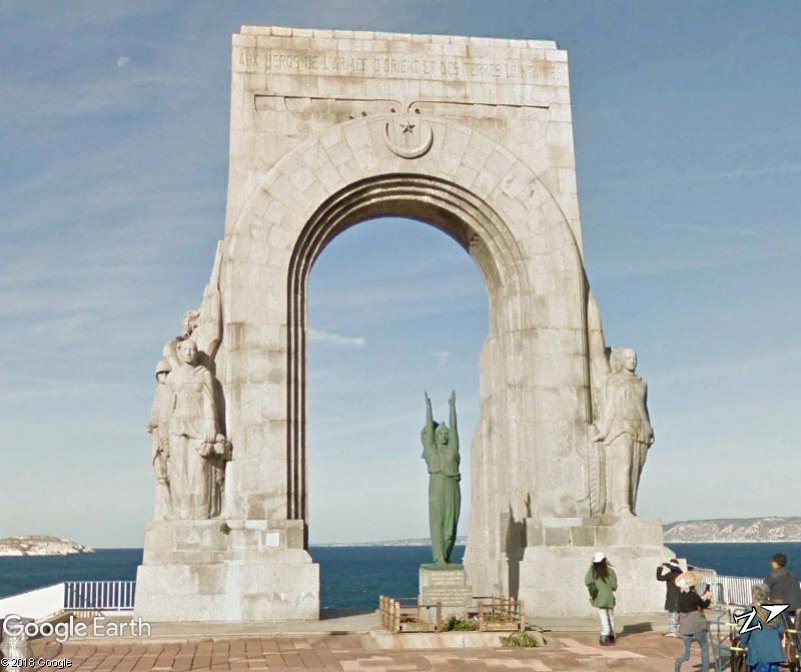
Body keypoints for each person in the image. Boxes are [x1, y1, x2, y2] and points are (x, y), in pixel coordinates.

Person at [592, 347, 654, 516]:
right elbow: (609, 406)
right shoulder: (613, 381)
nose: (632, 360)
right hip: (620, 427)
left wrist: (649, 427)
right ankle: (621, 507)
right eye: (628, 357)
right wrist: (604, 431)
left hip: (640, 428)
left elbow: (644, 407)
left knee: (635, 469)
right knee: (623, 465)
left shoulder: (642, 383)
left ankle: (630, 506)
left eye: (634, 357)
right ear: (621, 360)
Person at [420, 391, 461, 565]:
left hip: (452, 486)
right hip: (436, 485)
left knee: (451, 525)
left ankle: (447, 554)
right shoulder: (432, 451)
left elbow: (455, 427)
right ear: (436, 437)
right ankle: (440, 557)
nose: (444, 436)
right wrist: (429, 408)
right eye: (441, 434)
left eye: (446, 434)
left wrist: (452, 407)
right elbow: (429, 430)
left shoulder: (452, 451)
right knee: (437, 521)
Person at [740, 583, 785, 672]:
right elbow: (781, 630)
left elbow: (746, 631)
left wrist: (743, 645)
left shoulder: (750, 610)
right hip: (774, 652)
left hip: (759, 653)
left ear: (755, 595)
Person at [674, 573, 712, 672]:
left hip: (685, 626)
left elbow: (690, 604)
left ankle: (677, 664)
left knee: (685, 655)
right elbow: (703, 605)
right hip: (697, 624)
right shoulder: (693, 595)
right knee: (704, 647)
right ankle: (705, 670)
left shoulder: (680, 595)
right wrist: (708, 598)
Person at [585, 551, 617, 645]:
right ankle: (611, 636)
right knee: (611, 617)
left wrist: (594, 589)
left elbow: (587, 581)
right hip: (610, 597)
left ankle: (604, 634)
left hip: (600, 596)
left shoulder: (592, 571)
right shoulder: (610, 571)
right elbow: (614, 586)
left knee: (603, 617)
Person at [765, 553, 801, 626]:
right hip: (795, 606)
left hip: (781, 607)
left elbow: (764, 590)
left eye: (772, 561)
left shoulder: (772, 575)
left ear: (775, 563)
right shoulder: (791, 575)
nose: (771, 563)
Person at [657, 558, 683, 636]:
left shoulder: (670, 575)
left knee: (672, 614)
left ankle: (672, 631)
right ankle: (679, 630)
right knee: (679, 614)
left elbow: (659, 578)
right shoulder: (681, 575)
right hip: (680, 597)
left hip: (672, 597)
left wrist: (660, 568)